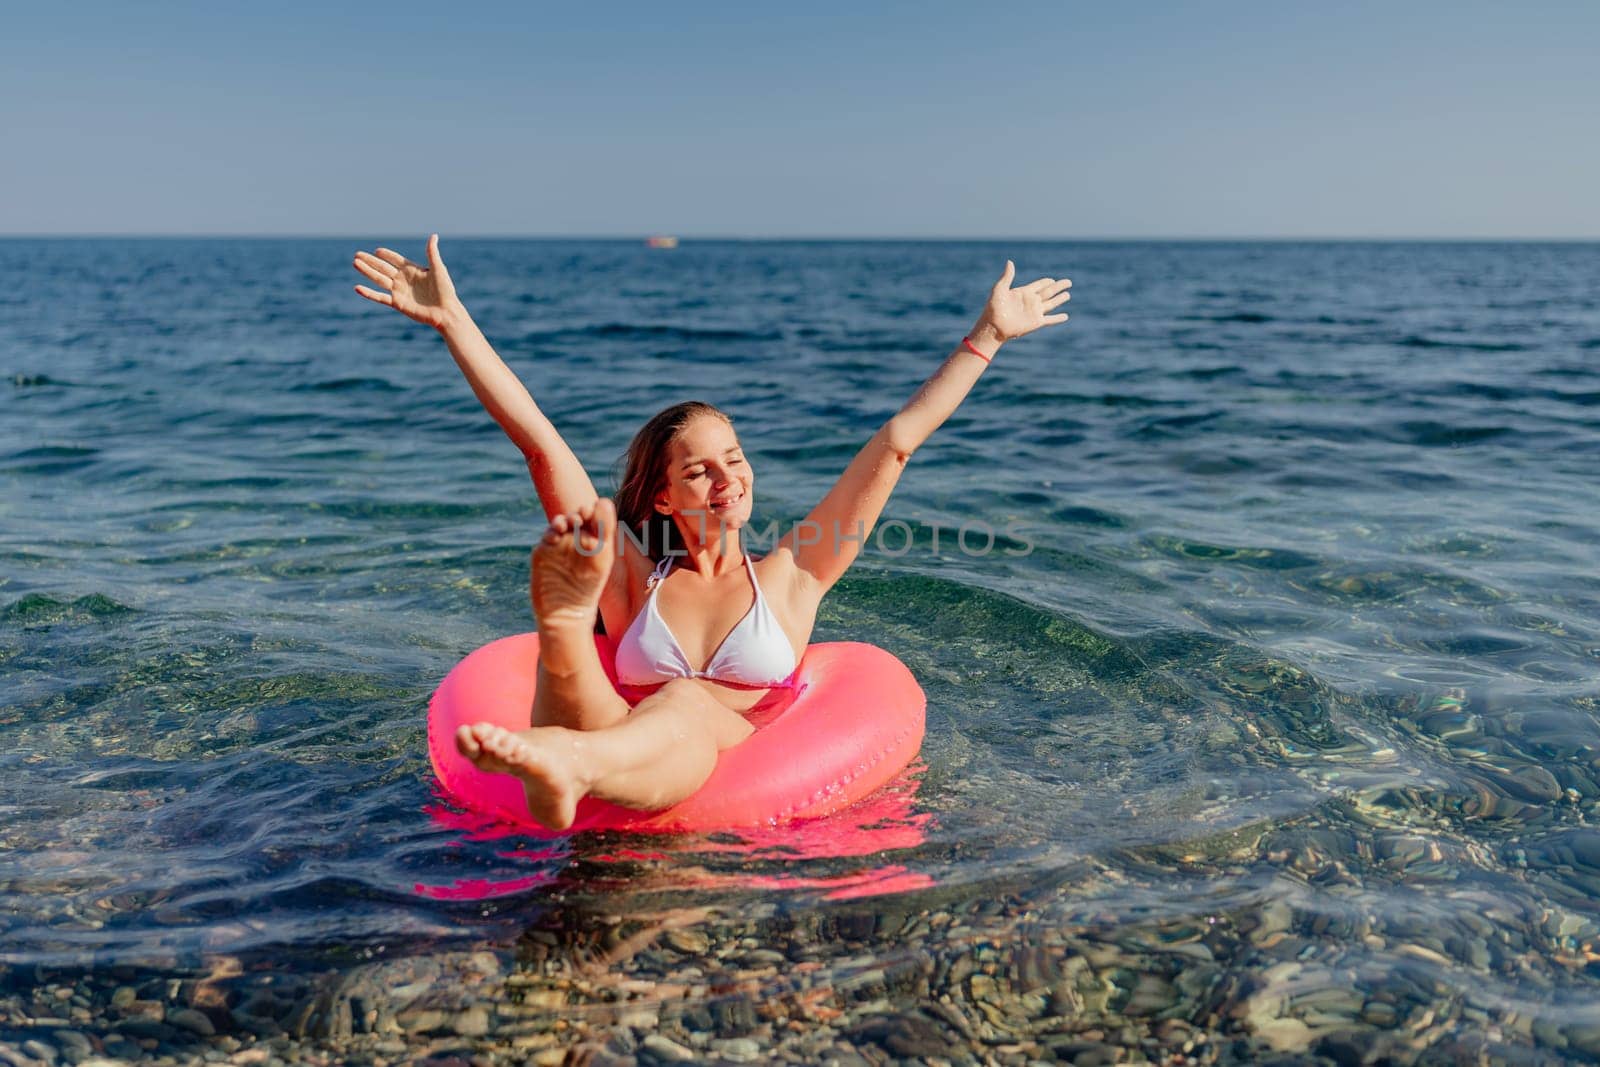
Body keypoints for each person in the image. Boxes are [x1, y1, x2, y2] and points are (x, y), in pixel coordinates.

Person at [353, 236, 1071, 829]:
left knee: (686, 702)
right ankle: (565, 668)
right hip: (616, 733)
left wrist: (989, 336)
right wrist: (456, 324)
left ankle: (567, 750)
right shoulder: (638, 579)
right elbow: (544, 448)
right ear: (663, 497)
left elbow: (896, 443)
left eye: (734, 459)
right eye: (698, 471)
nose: (726, 477)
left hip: (706, 750)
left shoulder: (793, 575)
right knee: (598, 660)